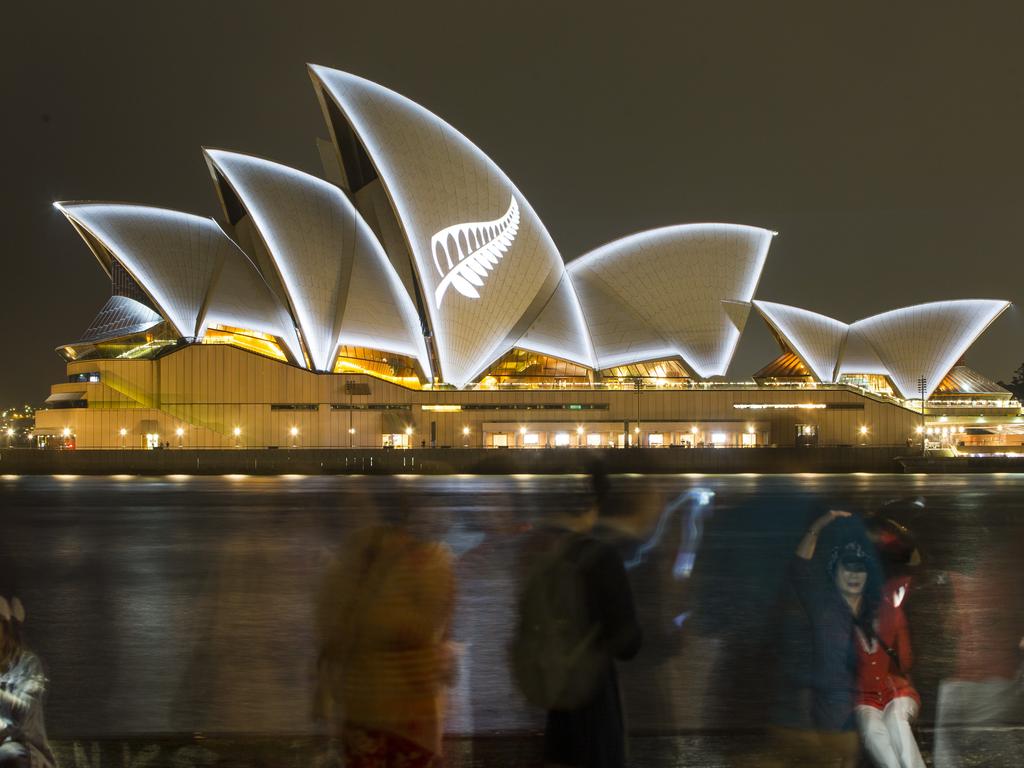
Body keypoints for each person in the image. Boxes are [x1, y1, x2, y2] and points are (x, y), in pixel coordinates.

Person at [511, 470, 642, 768]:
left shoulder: (534, 551)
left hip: (547, 695)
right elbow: (628, 643)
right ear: (593, 505)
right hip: (591, 699)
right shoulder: (600, 557)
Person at [314, 515, 457, 768]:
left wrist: (367, 621)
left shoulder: (427, 559)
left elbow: (425, 628)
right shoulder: (426, 560)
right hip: (391, 706)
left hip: (395, 707)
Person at [790, 510, 868, 768]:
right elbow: (800, 567)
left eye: (861, 568)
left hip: (873, 703)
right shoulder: (823, 605)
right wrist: (820, 523)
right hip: (832, 704)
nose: (854, 574)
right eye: (848, 567)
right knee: (838, 760)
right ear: (835, 570)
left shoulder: (878, 608)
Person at [0, 597, 56, 768]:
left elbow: (24, 715)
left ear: (5, 628)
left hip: (24, 749)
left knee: (9, 754)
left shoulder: (28, 664)